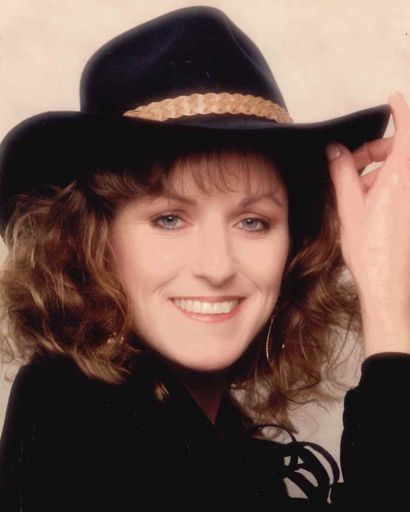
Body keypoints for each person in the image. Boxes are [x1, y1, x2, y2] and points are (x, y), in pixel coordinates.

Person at [0, 5, 409, 511]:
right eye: (169, 219)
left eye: (252, 222)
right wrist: (388, 305)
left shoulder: (208, 435)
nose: (217, 267)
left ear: (295, 246)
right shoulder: (70, 419)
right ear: (92, 240)